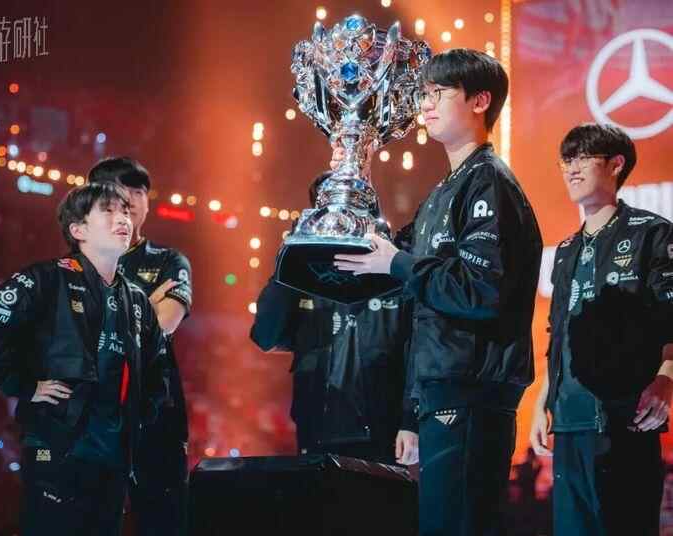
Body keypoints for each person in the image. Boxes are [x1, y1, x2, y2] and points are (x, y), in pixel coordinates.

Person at [333, 48, 543, 535]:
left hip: (472, 389)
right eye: (424, 93)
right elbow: (404, 273)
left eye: (439, 93)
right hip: (441, 386)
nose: (425, 105)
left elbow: (479, 292)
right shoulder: (442, 192)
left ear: (480, 101)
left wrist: (398, 262)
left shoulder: (489, 184)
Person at [0, 182, 171, 536]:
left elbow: (158, 368)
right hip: (57, 452)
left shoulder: (137, 300)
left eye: (125, 211)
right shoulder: (47, 278)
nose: (123, 218)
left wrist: (141, 416)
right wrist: (24, 385)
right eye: (108, 210)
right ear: (78, 230)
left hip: (114, 461)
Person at [529, 123, 673, 536]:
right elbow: (560, 333)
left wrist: (666, 379)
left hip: (626, 420)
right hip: (569, 423)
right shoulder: (566, 250)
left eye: (583, 158)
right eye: (566, 160)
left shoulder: (652, 233)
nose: (572, 168)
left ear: (616, 164)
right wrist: (542, 401)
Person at [250, 172, 416, 466]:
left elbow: (415, 352)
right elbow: (265, 336)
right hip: (315, 433)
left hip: (382, 436)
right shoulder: (299, 276)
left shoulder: (392, 275)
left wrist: (410, 420)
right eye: (325, 206)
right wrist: (288, 260)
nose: (337, 217)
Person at [88, 157, 192, 535]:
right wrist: (146, 305)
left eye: (138, 191)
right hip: (91, 414)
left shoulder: (169, 261)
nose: (131, 199)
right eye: (120, 189)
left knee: (162, 521)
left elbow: (165, 324)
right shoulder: (73, 266)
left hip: (156, 412)